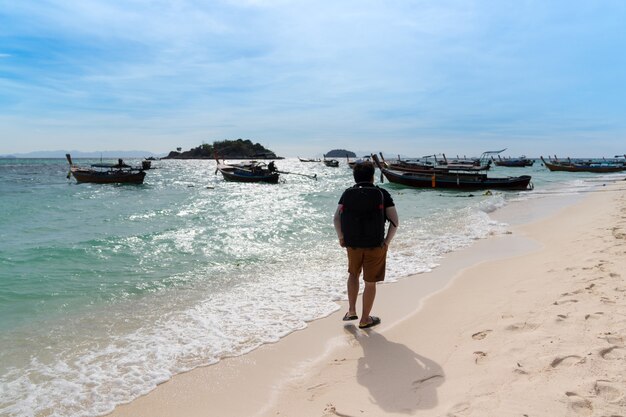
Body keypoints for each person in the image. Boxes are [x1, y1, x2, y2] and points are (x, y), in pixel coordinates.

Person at [333, 161, 399, 329]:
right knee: (370, 283)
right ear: (372, 176)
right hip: (375, 245)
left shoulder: (347, 193)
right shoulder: (382, 193)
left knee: (353, 275)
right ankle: (365, 319)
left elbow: (336, 218)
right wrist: (386, 242)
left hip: (353, 244)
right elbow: (395, 222)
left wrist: (341, 237)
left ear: (355, 177)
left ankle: (351, 310)